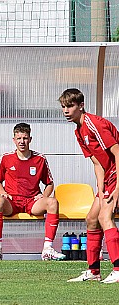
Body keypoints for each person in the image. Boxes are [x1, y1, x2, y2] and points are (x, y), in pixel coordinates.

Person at [0, 123, 65, 261]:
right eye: (19, 138)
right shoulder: (6, 158)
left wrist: (43, 196)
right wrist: (3, 193)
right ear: (14, 140)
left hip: (32, 201)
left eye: (25, 138)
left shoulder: (40, 159)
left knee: (52, 202)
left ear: (30, 139)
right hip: (12, 201)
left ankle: (47, 249)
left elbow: (49, 183)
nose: (22, 141)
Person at [60, 88, 119, 284]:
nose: (66, 110)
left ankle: (118, 269)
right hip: (108, 177)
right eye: (63, 107)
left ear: (81, 106)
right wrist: (101, 190)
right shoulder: (78, 130)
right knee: (92, 219)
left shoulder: (94, 124)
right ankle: (93, 271)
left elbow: (118, 153)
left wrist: (117, 187)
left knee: (104, 217)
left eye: (70, 106)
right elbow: (97, 163)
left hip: (117, 175)